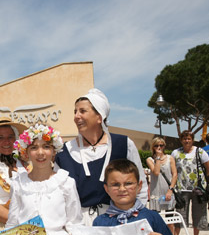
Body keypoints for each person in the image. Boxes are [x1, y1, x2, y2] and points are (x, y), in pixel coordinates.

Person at [56, 88, 148, 226]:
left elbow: (141, 184)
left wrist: (136, 218)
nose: (76, 116)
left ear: (99, 117)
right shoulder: (64, 152)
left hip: (120, 219)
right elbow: (59, 194)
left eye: (82, 111)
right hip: (79, 224)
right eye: (75, 111)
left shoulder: (123, 144)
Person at [170, 131, 209, 235]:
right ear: (181, 140)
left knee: (198, 212)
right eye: (184, 139)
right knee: (180, 213)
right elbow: (172, 169)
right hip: (181, 188)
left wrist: (202, 180)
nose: (186, 141)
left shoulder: (200, 152)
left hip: (198, 188)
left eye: (188, 138)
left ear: (192, 139)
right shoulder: (175, 153)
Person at [145, 137, 178, 212]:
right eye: (156, 145)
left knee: (170, 217)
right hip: (156, 192)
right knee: (156, 217)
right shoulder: (150, 159)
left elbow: (175, 174)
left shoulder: (170, 158)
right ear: (153, 147)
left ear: (164, 146)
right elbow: (156, 172)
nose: (159, 147)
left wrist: (171, 189)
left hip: (168, 191)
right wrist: (158, 158)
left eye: (161, 145)